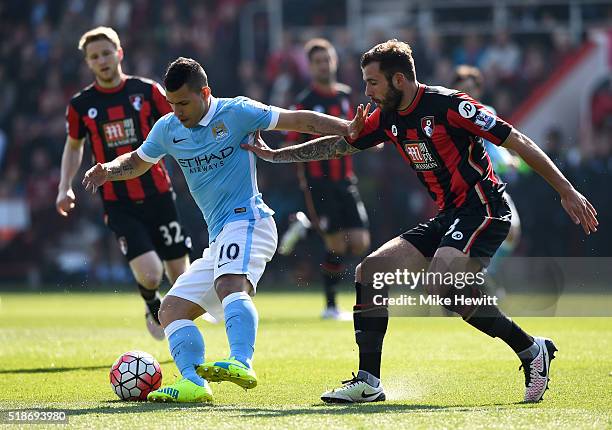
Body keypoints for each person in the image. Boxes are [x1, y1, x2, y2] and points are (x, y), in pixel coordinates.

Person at [242, 39, 598, 404]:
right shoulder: (387, 116)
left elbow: (517, 140)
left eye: (373, 82)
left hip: (484, 209)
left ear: (399, 80)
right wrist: (276, 156)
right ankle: (369, 382)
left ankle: (530, 350)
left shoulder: (450, 105)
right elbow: (343, 144)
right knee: (371, 271)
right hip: (448, 217)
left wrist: (566, 190)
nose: (366, 91)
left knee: (441, 285)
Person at [82, 57, 367, 403]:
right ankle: (193, 382)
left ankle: (241, 361)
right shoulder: (168, 128)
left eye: (184, 103)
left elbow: (299, 121)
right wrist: (108, 170)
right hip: (220, 237)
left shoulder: (237, 113)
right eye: (172, 104)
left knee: (230, 283)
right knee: (170, 309)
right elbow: (138, 162)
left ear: (205, 92)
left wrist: (347, 127)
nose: (178, 111)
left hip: (250, 220)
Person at [57, 27, 191, 341]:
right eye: (94, 56)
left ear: (119, 53)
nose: (101, 60)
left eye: (106, 53)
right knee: (151, 273)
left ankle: (182, 329)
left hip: (158, 193)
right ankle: (150, 304)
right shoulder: (81, 105)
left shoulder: (147, 91)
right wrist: (65, 186)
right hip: (118, 202)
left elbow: (177, 125)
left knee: (179, 276)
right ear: (88, 63)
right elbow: (74, 146)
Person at [281, 38, 371, 320]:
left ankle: (306, 228)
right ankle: (331, 306)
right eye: (318, 61)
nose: (324, 65)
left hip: (346, 181)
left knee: (359, 242)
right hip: (318, 183)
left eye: (327, 59)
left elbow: (359, 130)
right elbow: (290, 143)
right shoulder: (305, 102)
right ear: (310, 67)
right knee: (336, 245)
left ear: (334, 61)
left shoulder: (345, 95)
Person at [451, 65, 523, 286]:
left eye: (471, 89)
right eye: (462, 90)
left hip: (489, 182)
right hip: (460, 187)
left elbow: (493, 144)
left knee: (512, 231)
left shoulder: (486, 112)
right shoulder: (448, 115)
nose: (468, 95)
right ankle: (461, 283)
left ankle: (482, 276)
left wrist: (506, 159)